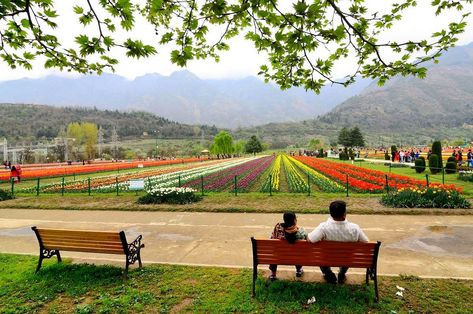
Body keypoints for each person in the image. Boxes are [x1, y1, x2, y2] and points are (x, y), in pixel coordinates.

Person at [307, 200, 369, 284]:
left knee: (321, 256)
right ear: (344, 213)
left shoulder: (323, 227)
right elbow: (366, 242)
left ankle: (328, 274)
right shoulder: (354, 228)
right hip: (347, 259)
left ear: (331, 213)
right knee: (347, 255)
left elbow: (310, 239)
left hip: (327, 258)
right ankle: (342, 273)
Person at [269, 212, 307, 280]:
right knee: (298, 252)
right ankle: (298, 270)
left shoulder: (277, 228)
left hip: (278, 256)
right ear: (295, 220)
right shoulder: (300, 232)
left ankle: (273, 274)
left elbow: (271, 239)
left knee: (275, 251)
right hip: (295, 257)